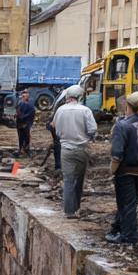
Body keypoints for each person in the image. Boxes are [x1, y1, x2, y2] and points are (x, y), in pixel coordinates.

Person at [107, 92, 138, 245]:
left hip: (125, 170)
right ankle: (116, 229)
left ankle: (129, 236)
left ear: (127, 106)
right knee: (131, 203)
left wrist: (112, 169)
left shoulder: (122, 126)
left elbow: (117, 153)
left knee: (126, 204)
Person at [50, 84, 98, 219]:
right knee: (79, 179)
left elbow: (55, 128)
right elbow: (92, 129)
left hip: (66, 149)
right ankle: (76, 207)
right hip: (82, 149)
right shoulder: (85, 110)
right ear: (79, 96)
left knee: (68, 180)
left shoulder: (60, 111)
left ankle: (69, 211)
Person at [14, 90, 36, 156]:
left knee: (25, 137)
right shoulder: (21, 104)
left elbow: (30, 114)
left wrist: (22, 118)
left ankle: (25, 150)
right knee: (22, 137)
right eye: (22, 96)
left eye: (24, 96)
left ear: (27, 97)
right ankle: (22, 149)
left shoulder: (29, 106)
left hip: (25, 124)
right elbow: (18, 113)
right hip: (21, 124)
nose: (22, 98)